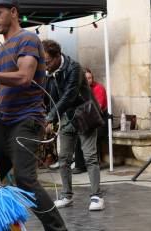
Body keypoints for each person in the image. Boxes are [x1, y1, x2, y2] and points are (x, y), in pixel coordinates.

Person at [0, 1, 68, 231]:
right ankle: (8, 226)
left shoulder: (28, 39)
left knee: (25, 179)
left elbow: (25, 77)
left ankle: (58, 229)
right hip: (3, 123)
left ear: (13, 12)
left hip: (27, 120)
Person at [42, 39, 105, 211]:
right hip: (66, 116)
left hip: (85, 113)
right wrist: (51, 117)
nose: (44, 66)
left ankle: (97, 197)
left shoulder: (74, 68)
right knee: (64, 159)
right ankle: (66, 196)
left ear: (57, 57)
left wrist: (51, 116)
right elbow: (50, 97)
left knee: (90, 157)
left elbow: (69, 95)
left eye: (47, 62)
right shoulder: (49, 72)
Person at [73, 68, 108, 174]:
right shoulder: (79, 90)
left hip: (100, 120)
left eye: (90, 78)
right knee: (77, 133)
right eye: (86, 78)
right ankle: (80, 164)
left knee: (84, 134)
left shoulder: (98, 88)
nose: (89, 80)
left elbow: (98, 108)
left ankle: (85, 165)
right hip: (86, 119)